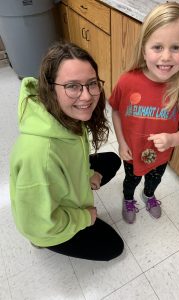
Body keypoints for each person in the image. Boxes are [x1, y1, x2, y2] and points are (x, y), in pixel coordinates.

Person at [10, 41, 124, 261]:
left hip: (63, 183)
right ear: (50, 88)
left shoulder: (64, 115)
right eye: (72, 86)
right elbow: (35, 222)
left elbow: (72, 158)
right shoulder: (38, 156)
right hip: (45, 228)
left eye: (91, 83)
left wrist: (88, 175)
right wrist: (84, 217)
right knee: (113, 248)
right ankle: (43, 244)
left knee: (110, 161)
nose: (87, 96)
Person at [109, 2, 179, 224]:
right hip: (131, 152)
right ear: (144, 48)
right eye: (157, 47)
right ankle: (129, 198)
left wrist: (173, 139)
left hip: (161, 156)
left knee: (154, 180)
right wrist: (121, 143)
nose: (166, 57)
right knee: (130, 180)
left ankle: (149, 195)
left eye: (176, 48)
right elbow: (116, 112)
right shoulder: (127, 81)